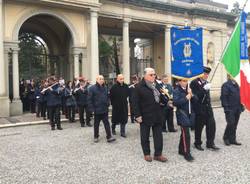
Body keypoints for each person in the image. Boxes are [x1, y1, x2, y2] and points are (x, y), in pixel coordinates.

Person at [132, 68, 168, 162]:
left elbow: (161, 98)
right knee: (145, 136)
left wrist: (165, 100)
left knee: (158, 136)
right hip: (145, 115)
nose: (153, 76)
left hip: (157, 114)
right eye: (151, 75)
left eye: (154, 74)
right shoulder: (139, 87)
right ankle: (146, 154)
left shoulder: (157, 85)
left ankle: (158, 154)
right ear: (145, 75)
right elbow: (134, 103)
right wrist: (137, 116)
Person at [190, 66, 219, 151]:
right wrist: (203, 89)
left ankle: (210, 143)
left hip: (208, 108)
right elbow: (195, 97)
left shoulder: (207, 82)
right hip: (199, 108)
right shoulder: (194, 82)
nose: (206, 75)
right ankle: (197, 143)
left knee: (211, 126)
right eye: (205, 73)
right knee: (199, 127)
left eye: (207, 74)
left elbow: (207, 97)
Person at [87, 75, 115, 143]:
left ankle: (109, 137)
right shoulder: (92, 88)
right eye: (100, 79)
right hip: (96, 110)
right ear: (97, 80)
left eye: (102, 79)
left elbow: (108, 96)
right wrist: (92, 110)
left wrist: (108, 103)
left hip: (104, 109)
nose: (102, 80)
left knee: (107, 123)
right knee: (96, 124)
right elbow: (89, 100)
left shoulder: (105, 87)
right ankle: (96, 136)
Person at [173, 78, 195, 162]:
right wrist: (186, 98)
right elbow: (176, 103)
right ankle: (187, 153)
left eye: (186, 81)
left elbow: (196, 101)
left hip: (189, 114)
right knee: (186, 134)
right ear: (179, 82)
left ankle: (181, 149)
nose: (185, 83)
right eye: (184, 81)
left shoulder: (189, 89)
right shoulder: (176, 90)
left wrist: (192, 95)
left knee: (183, 133)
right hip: (182, 114)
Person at [220, 75, 244, 146]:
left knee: (235, 125)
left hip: (237, 108)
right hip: (230, 109)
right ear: (229, 76)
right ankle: (226, 137)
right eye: (233, 75)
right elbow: (223, 98)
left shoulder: (237, 85)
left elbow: (239, 96)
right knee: (231, 123)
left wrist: (241, 106)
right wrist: (226, 108)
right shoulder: (226, 85)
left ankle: (232, 139)